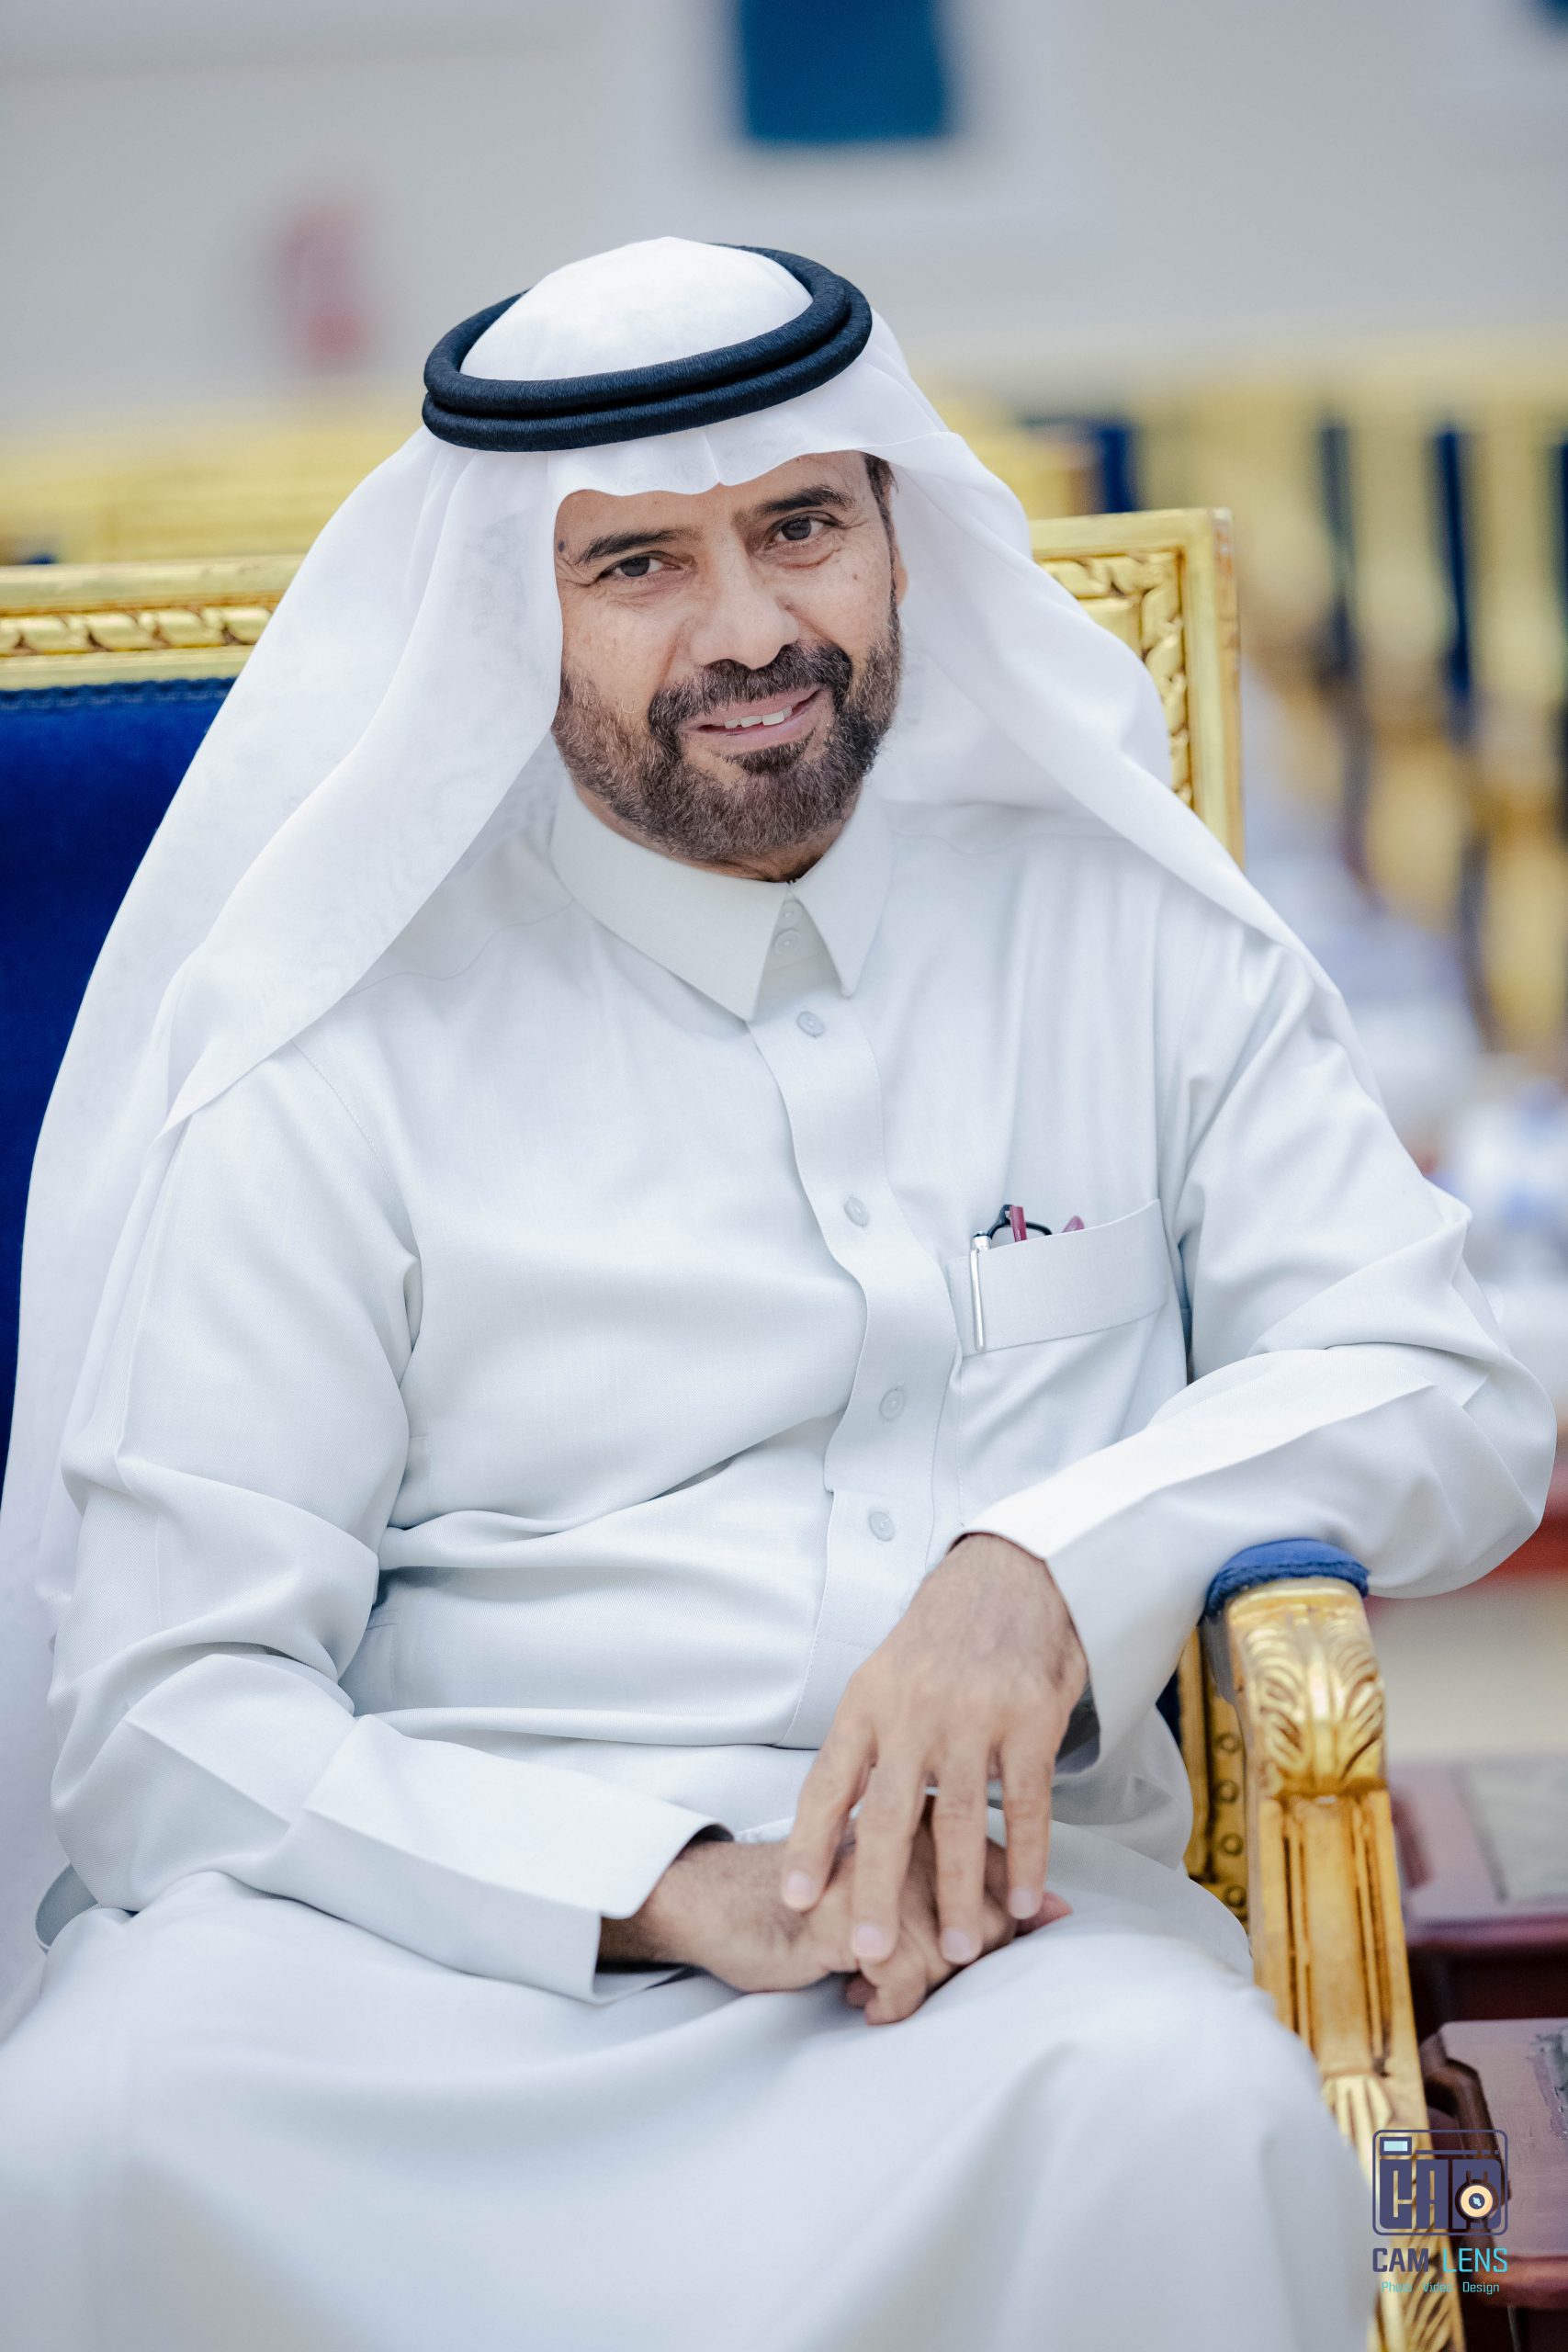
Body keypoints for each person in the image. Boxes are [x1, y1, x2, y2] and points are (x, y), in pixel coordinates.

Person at [0, 239, 1551, 2352]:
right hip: (404, 1954)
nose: (747, 629)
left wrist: (1047, 1559)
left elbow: (1450, 1383)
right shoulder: (338, 1044)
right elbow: (170, 1718)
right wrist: (655, 1883)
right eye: (638, 562)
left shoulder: (1124, 935)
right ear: (515, 612)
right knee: (81, 2135)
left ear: (896, 540)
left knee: (1185, 2114)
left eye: (801, 526)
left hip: (980, 1961)